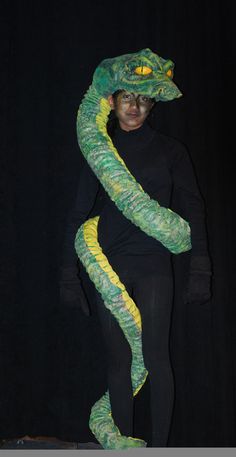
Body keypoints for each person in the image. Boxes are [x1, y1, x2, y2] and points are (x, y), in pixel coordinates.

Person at [60, 62, 211, 447]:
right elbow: (78, 212)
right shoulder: (100, 153)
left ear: (152, 105)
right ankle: (122, 448)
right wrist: (68, 273)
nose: (134, 107)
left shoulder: (170, 151)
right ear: (113, 101)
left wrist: (200, 267)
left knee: (157, 359)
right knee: (119, 364)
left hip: (154, 266)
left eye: (143, 100)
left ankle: (160, 449)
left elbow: (194, 206)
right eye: (127, 97)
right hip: (109, 263)